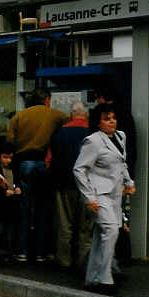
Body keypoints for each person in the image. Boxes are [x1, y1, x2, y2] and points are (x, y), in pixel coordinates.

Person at [73, 103, 135, 295]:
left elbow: (121, 163)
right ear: (98, 122)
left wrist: (129, 181)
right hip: (99, 194)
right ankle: (104, 278)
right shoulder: (93, 141)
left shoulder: (120, 136)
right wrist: (89, 197)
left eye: (113, 118)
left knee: (102, 235)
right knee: (110, 231)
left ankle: (92, 278)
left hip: (115, 194)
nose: (112, 121)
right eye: (107, 118)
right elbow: (79, 169)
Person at [6, 88, 68, 262]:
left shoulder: (18, 117)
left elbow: (10, 142)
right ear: (47, 99)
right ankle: (41, 252)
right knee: (43, 209)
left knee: (23, 210)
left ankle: (22, 251)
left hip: (24, 163)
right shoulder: (57, 115)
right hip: (44, 164)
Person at [46, 100, 93, 271]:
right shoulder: (92, 133)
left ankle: (64, 260)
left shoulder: (59, 133)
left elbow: (49, 159)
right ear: (85, 114)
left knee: (64, 225)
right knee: (84, 227)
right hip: (87, 186)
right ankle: (83, 260)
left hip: (63, 183)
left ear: (71, 114)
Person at [95, 87, 136, 173]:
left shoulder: (101, 114)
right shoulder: (125, 113)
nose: (96, 102)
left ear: (102, 98)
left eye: (97, 98)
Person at [0, 142, 21, 262]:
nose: (8, 160)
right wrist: (4, 193)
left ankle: (6, 252)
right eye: (5, 157)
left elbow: (17, 181)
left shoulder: (13, 168)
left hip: (11, 203)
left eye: (10, 157)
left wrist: (17, 188)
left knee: (9, 228)